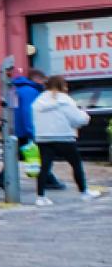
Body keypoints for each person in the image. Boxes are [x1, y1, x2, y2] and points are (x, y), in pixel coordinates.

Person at [32, 76, 100, 205]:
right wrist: (85, 116)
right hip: (64, 136)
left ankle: (40, 197)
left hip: (43, 138)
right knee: (76, 164)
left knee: (45, 166)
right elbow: (77, 119)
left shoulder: (38, 101)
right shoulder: (65, 100)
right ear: (61, 85)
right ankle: (84, 192)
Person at [12, 68, 63, 191]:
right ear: (37, 79)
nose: (44, 84)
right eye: (43, 81)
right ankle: (48, 180)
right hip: (26, 130)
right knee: (43, 155)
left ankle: (2, 178)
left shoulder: (17, 90)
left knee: (16, 155)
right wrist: (31, 131)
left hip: (18, 128)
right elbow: (28, 112)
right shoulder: (30, 91)